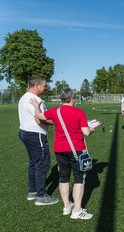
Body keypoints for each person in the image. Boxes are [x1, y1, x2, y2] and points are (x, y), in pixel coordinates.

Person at [30, 88, 93, 220]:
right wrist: (92, 129)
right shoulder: (79, 112)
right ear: (72, 99)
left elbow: (39, 116)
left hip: (59, 149)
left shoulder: (55, 111)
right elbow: (86, 132)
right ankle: (77, 210)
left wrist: (36, 106)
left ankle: (66, 206)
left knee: (63, 177)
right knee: (79, 178)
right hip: (76, 149)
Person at [18, 75, 59, 205]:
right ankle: (41, 196)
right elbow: (40, 119)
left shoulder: (24, 98)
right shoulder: (34, 99)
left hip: (25, 132)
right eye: (44, 85)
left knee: (33, 162)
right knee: (42, 163)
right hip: (35, 134)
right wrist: (58, 121)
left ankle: (33, 191)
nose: (45, 87)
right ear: (37, 86)